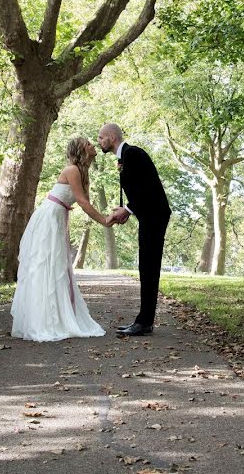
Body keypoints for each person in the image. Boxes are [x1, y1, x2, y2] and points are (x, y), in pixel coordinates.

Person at [10, 137, 112, 342]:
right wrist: (105, 220)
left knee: (58, 266)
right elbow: (82, 202)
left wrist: (111, 215)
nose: (93, 146)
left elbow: (86, 201)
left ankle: (57, 315)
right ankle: (43, 320)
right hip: (48, 218)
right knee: (47, 265)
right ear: (81, 150)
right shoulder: (73, 170)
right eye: (89, 144)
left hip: (58, 217)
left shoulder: (83, 172)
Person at [98, 123, 171, 337]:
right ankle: (144, 321)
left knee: (149, 266)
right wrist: (127, 209)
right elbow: (140, 189)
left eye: (101, 137)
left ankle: (145, 322)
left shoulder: (134, 154)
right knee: (146, 266)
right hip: (149, 215)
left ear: (111, 137)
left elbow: (149, 187)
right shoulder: (125, 157)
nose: (99, 141)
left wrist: (128, 209)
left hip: (155, 215)